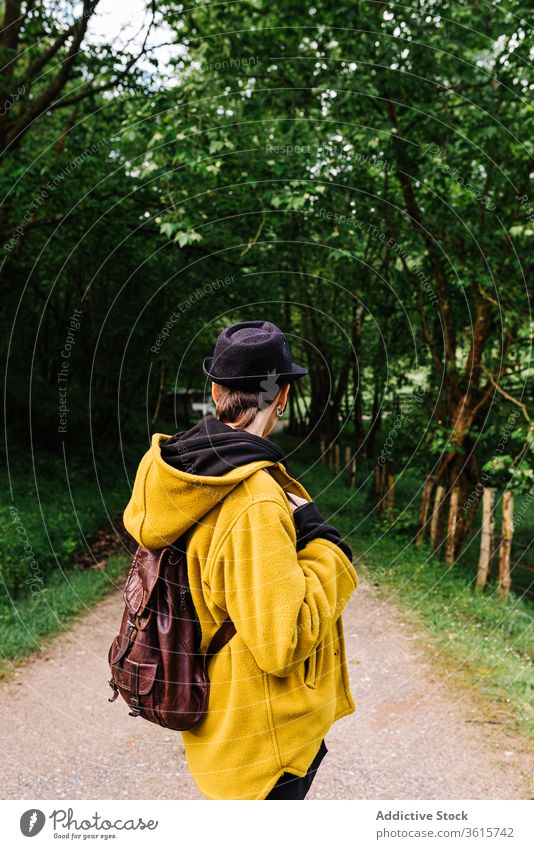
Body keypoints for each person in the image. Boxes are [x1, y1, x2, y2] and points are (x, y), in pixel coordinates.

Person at [123, 320, 358, 800]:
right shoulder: (253, 497)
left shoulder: (180, 472)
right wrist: (327, 546)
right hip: (264, 752)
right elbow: (282, 642)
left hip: (221, 729)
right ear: (283, 396)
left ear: (216, 390)